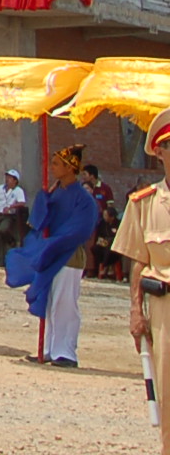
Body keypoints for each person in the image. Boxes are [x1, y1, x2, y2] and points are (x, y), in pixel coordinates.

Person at [7, 144, 99, 367]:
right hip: (50, 253)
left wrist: (54, 245)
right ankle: (48, 349)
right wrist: (44, 198)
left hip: (68, 256)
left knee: (64, 303)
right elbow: (40, 221)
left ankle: (65, 352)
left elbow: (80, 229)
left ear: (70, 167)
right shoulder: (56, 193)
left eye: (57, 163)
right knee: (49, 302)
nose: (52, 167)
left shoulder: (84, 199)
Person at [116, 109, 170, 454]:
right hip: (164, 311)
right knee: (167, 393)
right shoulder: (145, 203)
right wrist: (136, 313)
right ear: (159, 152)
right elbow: (139, 262)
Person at [0, 168, 29, 264]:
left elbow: (22, 202)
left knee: (3, 229)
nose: (7, 179)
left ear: (15, 180)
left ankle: (11, 240)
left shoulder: (18, 191)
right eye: (7, 177)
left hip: (8, 215)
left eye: (10, 178)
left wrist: (11, 206)